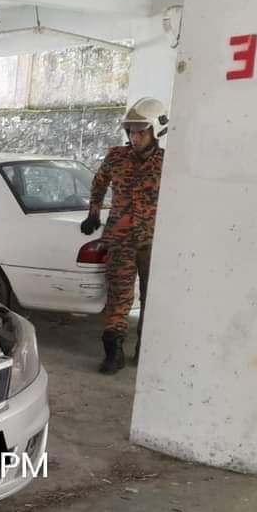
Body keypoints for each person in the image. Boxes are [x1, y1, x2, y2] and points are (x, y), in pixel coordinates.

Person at [80, 97, 168, 374]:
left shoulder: (168, 163)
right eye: (131, 131)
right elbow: (100, 181)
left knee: (154, 297)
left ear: (155, 131)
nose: (135, 137)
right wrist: (94, 212)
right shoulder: (116, 156)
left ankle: (146, 349)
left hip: (154, 240)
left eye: (141, 132)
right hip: (120, 239)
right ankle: (113, 353)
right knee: (120, 296)